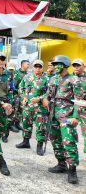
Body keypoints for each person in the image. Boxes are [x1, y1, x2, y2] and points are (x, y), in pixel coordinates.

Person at [42, 55, 84, 184]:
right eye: (54, 64)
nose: (55, 66)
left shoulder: (73, 80)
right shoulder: (53, 79)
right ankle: (61, 164)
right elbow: (48, 93)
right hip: (53, 115)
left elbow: (80, 101)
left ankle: (72, 170)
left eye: (58, 64)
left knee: (68, 141)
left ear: (65, 65)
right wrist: (45, 99)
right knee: (55, 140)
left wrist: (75, 117)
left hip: (67, 117)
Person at [16, 60, 48, 156]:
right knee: (26, 124)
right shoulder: (27, 77)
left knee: (41, 127)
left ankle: (39, 146)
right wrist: (23, 97)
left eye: (39, 67)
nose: (37, 68)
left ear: (42, 68)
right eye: (35, 66)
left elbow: (49, 93)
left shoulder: (46, 79)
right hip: (28, 107)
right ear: (32, 67)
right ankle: (26, 142)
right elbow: (20, 88)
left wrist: (39, 98)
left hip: (40, 108)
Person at [8, 60, 30, 134]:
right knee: (15, 109)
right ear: (22, 64)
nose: (28, 66)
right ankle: (11, 125)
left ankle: (17, 124)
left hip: (23, 96)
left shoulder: (27, 74)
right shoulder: (17, 73)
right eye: (27, 64)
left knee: (20, 110)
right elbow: (13, 86)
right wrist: (19, 92)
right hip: (16, 95)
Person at [71, 58, 86, 154]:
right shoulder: (69, 78)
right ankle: (70, 157)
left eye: (78, 65)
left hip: (84, 111)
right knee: (68, 134)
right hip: (70, 111)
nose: (76, 67)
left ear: (83, 67)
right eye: (74, 65)